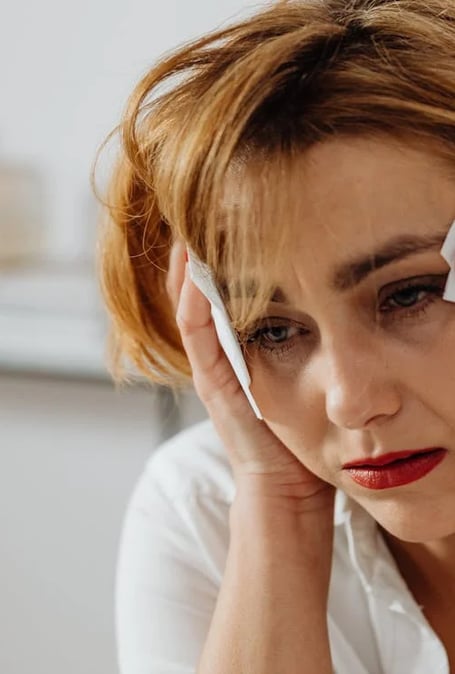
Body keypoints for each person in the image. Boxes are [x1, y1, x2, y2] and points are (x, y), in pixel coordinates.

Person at [98, 1, 455, 672]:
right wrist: (279, 509)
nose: (349, 402)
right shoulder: (204, 502)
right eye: (270, 329)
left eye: (409, 295)